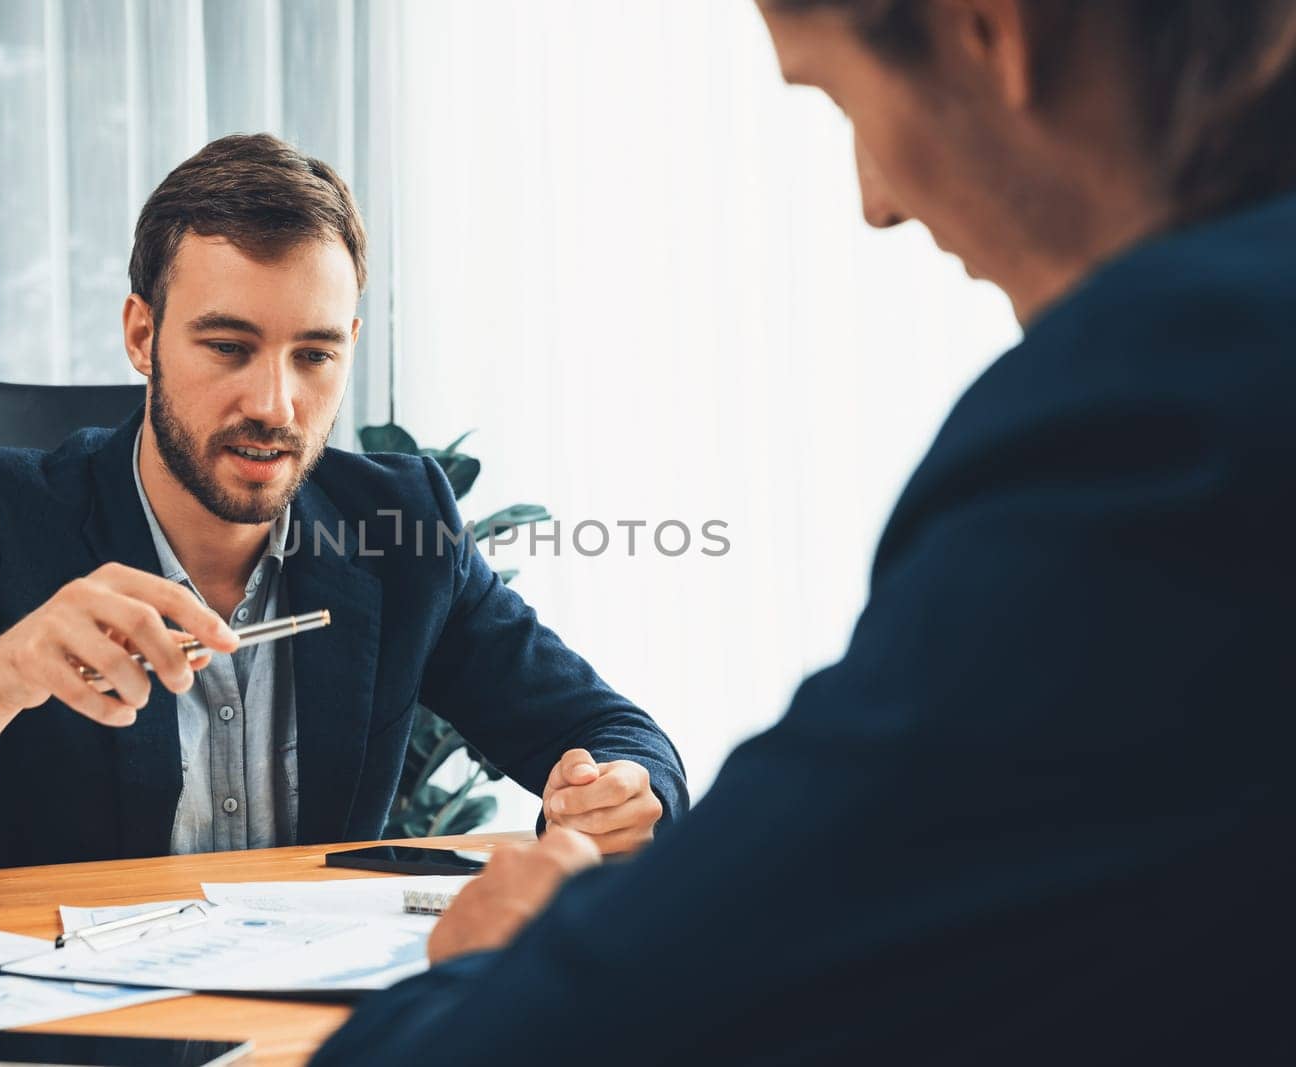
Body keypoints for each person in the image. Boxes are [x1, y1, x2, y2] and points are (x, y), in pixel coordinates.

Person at [311, 1, 1296, 1062]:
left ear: (990, 30)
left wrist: (485, 965)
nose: (874, 202)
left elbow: (718, 933)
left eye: (836, 98)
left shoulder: (1161, 410)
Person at [0, 134, 687, 904]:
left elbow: (611, 732)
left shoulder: (398, 522)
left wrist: (620, 794)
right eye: (229, 346)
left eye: (314, 355)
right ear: (142, 334)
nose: (275, 402)